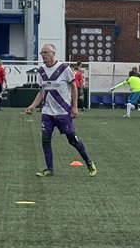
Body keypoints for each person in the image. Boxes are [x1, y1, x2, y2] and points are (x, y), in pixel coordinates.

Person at [25, 43, 97, 177]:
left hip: (63, 111)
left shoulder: (64, 68)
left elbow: (74, 86)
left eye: (45, 52)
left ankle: (89, 162)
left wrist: (74, 106)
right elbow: (42, 91)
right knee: (45, 139)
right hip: (47, 112)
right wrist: (33, 105)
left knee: (72, 140)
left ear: (53, 53)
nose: (43, 55)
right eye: (42, 53)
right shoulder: (41, 71)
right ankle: (49, 169)